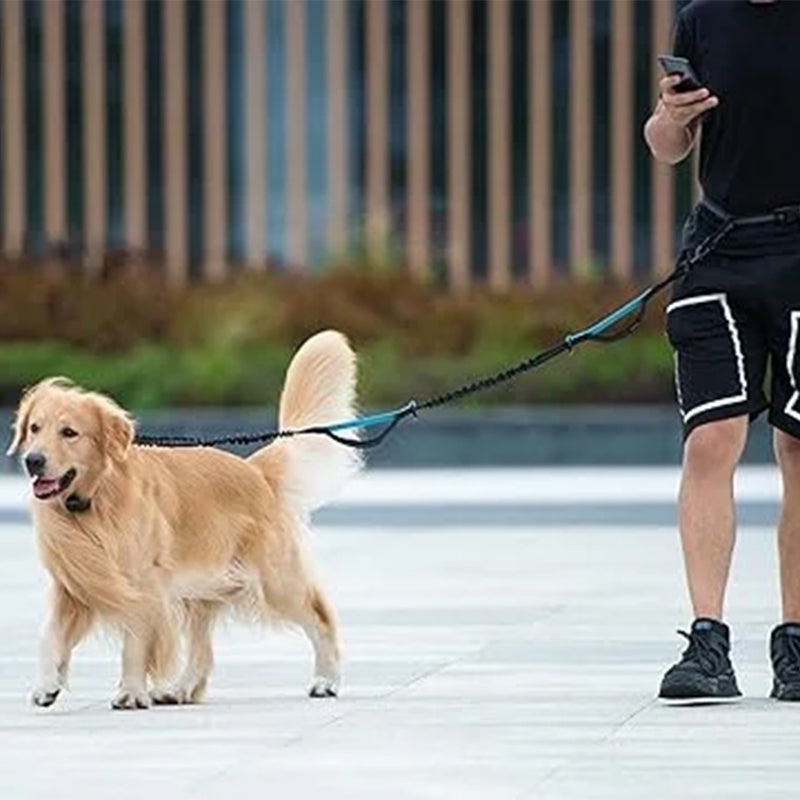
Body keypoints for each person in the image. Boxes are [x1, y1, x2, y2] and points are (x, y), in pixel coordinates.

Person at [644, 0, 800, 704]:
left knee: (799, 448)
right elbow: (667, 143)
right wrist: (672, 120)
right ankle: (707, 640)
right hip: (719, 248)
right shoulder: (702, 16)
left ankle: (795, 643)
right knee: (711, 435)